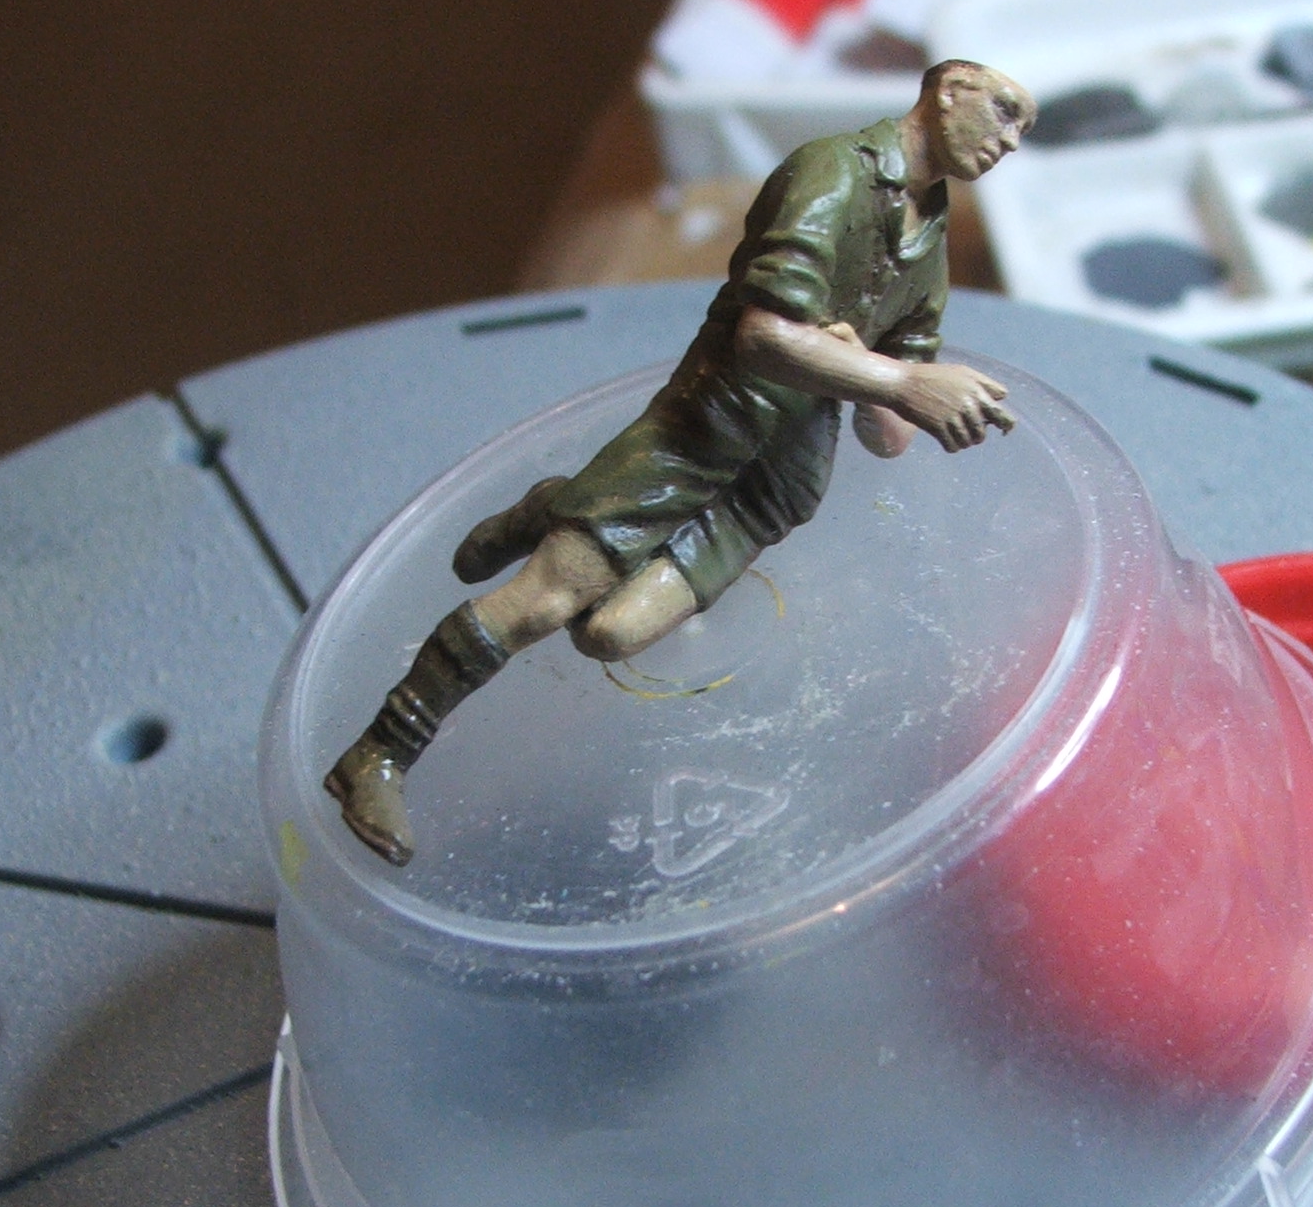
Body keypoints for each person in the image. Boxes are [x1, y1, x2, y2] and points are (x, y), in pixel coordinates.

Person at [325, 59, 1038, 864]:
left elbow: (888, 438)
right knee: (542, 604)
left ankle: (558, 504)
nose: (1011, 140)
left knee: (610, 634)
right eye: (1005, 111)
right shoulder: (835, 174)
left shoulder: (930, 253)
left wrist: (897, 389)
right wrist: (899, 377)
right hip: (701, 429)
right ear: (950, 90)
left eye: (1023, 128)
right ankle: (377, 755)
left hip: (775, 489)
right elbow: (762, 338)